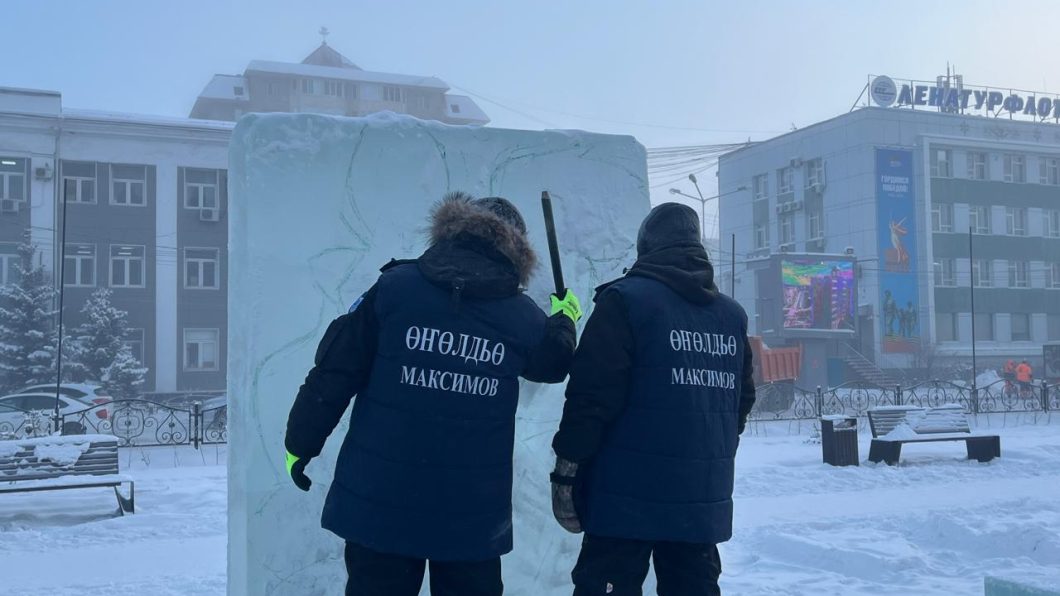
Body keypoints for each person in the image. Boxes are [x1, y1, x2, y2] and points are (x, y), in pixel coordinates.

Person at [283, 192, 581, 596]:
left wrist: (300, 443)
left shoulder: (394, 289)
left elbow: (335, 371)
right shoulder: (523, 316)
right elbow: (553, 363)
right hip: (469, 517)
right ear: (516, 250)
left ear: (453, 231)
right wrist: (565, 317)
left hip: (380, 504)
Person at [549, 203, 756, 596]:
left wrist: (566, 471)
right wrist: (705, 453)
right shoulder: (731, 317)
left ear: (646, 246)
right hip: (698, 500)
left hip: (624, 500)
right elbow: (741, 402)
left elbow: (590, 399)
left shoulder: (624, 302)